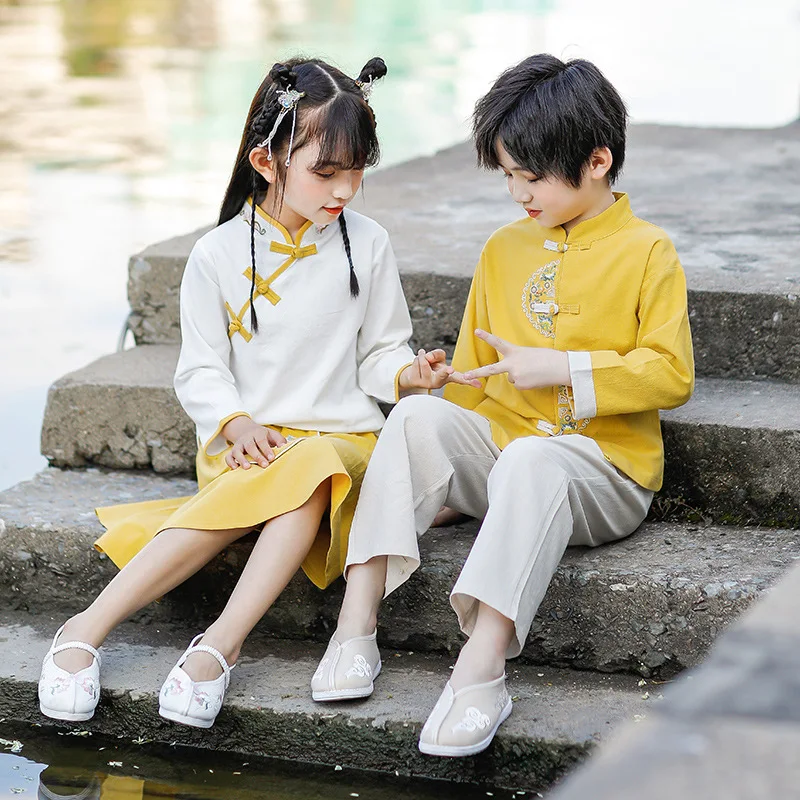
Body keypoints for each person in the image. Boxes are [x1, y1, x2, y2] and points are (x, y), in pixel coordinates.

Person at [37, 56, 459, 729]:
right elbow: (201, 370)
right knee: (297, 474)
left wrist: (409, 375)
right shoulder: (216, 255)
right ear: (267, 162)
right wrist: (234, 425)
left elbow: (382, 350)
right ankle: (86, 631)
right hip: (248, 444)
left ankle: (217, 647)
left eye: (356, 171)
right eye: (326, 172)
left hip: (344, 443)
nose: (344, 189)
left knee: (316, 470)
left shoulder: (368, 244)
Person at [311, 54, 694, 757]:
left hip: (603, 474)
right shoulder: (502, 248)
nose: (519, 193)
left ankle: (481, 669)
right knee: (420, 419)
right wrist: (441, 381)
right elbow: (481, 382)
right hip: (509, 459)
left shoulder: (649, 252)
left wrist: (566, 368)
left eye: (532, 176)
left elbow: (670, 375)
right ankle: (353, 625)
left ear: (599, 160)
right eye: (509, 176)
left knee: (532, 462)